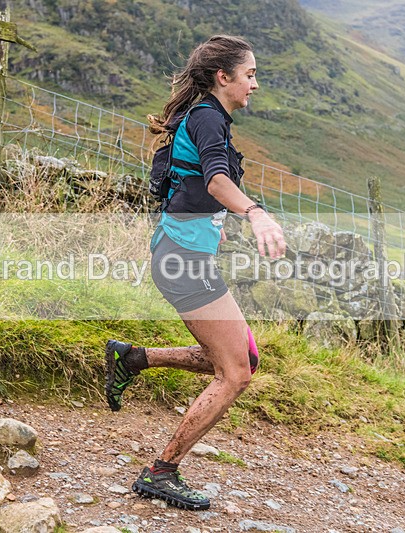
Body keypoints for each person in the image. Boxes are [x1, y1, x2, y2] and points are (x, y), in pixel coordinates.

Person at [104, 35, 286, 511]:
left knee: (245, 359)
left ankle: (133, 359)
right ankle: (161, 472)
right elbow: (216, 179)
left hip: (185, 254)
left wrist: (211, 224)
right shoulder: (207, 117)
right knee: (236, 373)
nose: (255, 84)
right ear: (223, 77)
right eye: (249, 74)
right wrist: (256, 214)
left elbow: (190, 183)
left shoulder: (209, 116)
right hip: (182, 262)